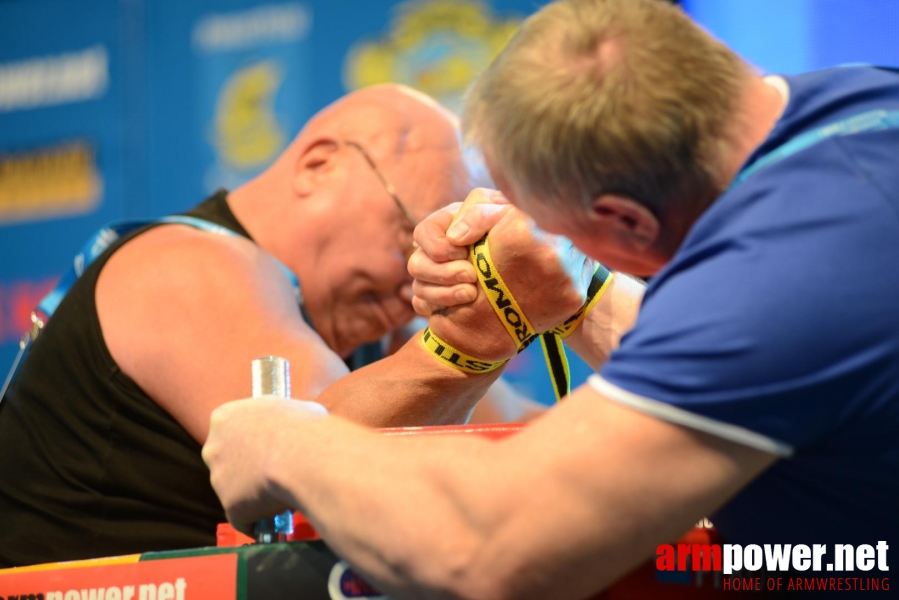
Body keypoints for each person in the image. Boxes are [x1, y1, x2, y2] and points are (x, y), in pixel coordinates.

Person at [203, 0, 899, 598]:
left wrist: (285, 442)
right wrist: (572, 285)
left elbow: (487, 549)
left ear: (625, 221)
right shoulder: (861, 103)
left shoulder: (776, 280)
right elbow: (759, 372)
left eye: (565, 229)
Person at [0, 84, 568, 567]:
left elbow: (532, 433)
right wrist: (479, 332)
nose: (421, 275)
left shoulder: (379, 312)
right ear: (319, 165)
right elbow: (313, 457)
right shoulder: (185, 264)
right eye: (411, 234)